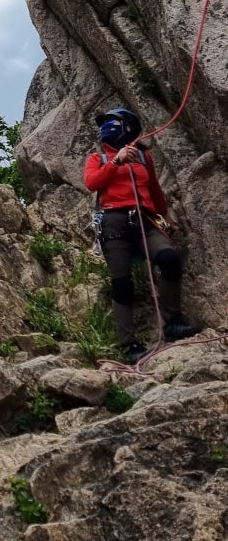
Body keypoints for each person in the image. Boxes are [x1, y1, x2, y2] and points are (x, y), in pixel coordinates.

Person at [84, 107, 199, 362]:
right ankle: (128, 344)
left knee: (169, 259)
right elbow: (92, 183)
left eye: (113, 123)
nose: (108, 129)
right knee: (122, 282)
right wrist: (116, 161)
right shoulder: (98, 158)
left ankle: (172, 323)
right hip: (113, 221)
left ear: (128, 127)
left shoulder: (145, 158)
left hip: (145, 219)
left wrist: (165, 215)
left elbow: (154, 189)